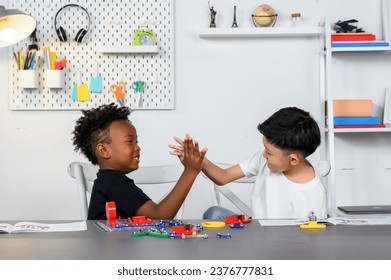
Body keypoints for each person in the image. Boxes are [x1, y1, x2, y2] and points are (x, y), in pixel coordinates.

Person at [169, 107, 327, 220]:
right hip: (254, 231)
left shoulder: (312, 194)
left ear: (293, 159)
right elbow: (223, 177)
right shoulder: (264, 160)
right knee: (213, 213)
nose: (264, 154)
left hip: (282, 248)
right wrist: (198, 160)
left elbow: (309, 242)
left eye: (269, 153)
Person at [72, 103, 207, 220]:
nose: (137, 147)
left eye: (136, 141)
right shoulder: (113, 182)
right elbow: (159, 215)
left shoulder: (108, 180)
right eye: (130, 142)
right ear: (104, 150)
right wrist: (190, 172)